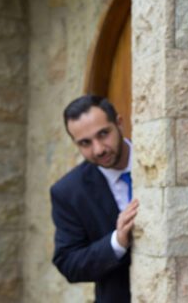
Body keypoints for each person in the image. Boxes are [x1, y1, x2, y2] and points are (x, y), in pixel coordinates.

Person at [50, 95, 139, 303]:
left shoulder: (165, 156)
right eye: (85, 143)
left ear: (119, 123)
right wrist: (116, 242)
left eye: (103, 134)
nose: (98, 149)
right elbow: (68, 263)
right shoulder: (68, 192)